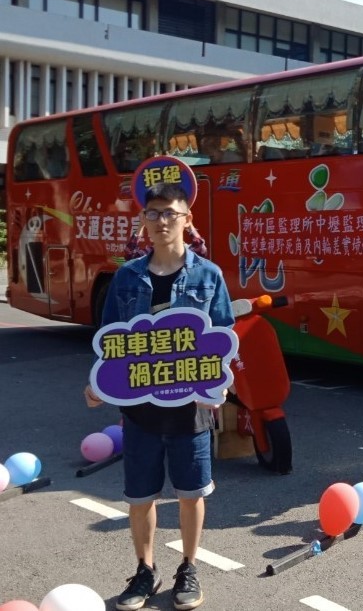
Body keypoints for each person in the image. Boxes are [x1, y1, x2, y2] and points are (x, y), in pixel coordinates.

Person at [84, 183, 233, 611]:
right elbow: (108, 340)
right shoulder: (128, 277)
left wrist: (220, 384)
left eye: (171, 213)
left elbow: (223, 335)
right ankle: (145, 570)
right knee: (140, 496)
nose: (162, 221)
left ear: (187, 219)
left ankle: (188, 566)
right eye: (154, 214)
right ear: (144, 221)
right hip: (139, 409)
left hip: (191, 407)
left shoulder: (209, 275)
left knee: (191, 492)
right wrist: (98, 384)